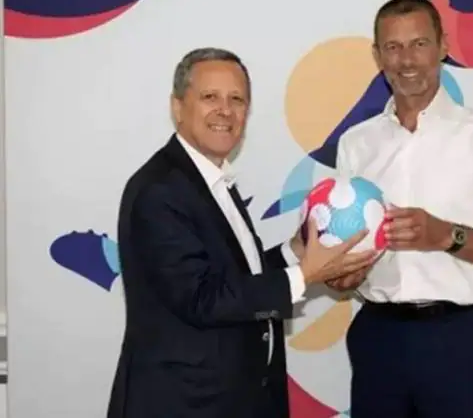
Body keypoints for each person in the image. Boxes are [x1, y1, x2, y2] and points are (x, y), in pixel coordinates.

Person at [106, 48, 377, 418]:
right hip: (185, 404)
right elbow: (202, 299)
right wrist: (305, 274)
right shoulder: (160, 190)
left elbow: (234, 277)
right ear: (177, 107)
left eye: (237, 99)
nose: (225, 110)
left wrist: (295, 251)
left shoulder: (210, 179)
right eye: (210, 97)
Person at [328, 0, 473, 417]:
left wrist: (448, 236)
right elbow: (348, 244)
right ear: (377, 56)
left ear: (443, 46)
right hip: (378, 338)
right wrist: (343, 273)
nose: (406, 60)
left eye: (419, 44)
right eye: (393, 47)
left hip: (460, 340)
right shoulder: (356, 144)